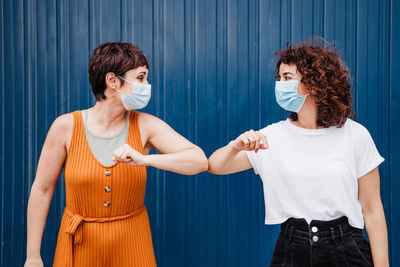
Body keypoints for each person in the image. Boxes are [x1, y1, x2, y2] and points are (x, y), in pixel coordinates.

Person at [24, 41, 208, 267]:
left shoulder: (146, 126)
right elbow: (42, 189)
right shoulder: (65, 127)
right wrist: (33, 256)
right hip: (79, 249)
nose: (146, 85)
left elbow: (199, 161)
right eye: (140, 78)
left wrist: (145, 159)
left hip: (133, 246)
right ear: (112, 81)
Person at [208, 41, 389, 266]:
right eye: (279, 78)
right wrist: (235, 146)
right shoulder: (272, 138)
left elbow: (372, 209)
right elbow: (215, 165)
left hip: (346, 248)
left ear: (314, 83)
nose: (279, 85)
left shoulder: (356, 135)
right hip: (292, 250)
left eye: (287, 77)